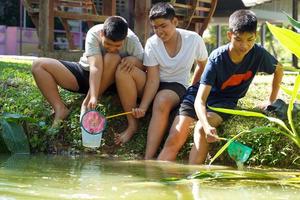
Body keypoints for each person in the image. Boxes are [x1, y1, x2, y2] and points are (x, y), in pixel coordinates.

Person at [158, 9, 284, 164]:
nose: (244, 46)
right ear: (230, 35)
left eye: (250, 39)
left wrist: (271, 99)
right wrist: (204, 121)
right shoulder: (216, 58)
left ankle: (193, 181)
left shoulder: (258, 54)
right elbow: (200, 101)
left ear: (255, 36)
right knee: (174, 138)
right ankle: (157, 182)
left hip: (224, 101)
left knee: (200, 129)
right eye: (238, 39)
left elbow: (279, 69)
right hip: (197, 96)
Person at [115, 2, 208, 159]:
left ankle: (148, 159)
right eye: (155, 27)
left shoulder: (193, 39)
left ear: (175, 22)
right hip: (154, 82)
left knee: (162, 99)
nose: (159, 31)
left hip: (176, 86)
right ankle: (132, 124)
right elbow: (152, 79)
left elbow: (203, 66)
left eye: (163, 26)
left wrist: (193, 87)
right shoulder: (152, 43)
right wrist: (143, 107)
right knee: (123, 71)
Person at [31, 16, 144, 126]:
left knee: (112, 57)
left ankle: (87, 103)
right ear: (102, 34)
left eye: (117, 45)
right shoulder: (94, 33)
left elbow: (145, 66)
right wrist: (93, 96)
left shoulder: (132, 39)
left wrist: (133, 60)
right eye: (108, 44)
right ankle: (60, 109)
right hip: (87, 74)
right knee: (38, 65)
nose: (112, 48)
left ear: (125, 39)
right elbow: (96, 66)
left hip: (113, 81)